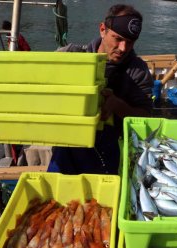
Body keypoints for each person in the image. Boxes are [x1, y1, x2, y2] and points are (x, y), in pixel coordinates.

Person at [48, 4, 154, 175]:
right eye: (118, 38)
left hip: (112, 148)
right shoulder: (70, 55)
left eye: (130, 42)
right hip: (67, 144)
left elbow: (146, 118)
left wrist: (118, 106)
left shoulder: (138, 71)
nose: (123, 49)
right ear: (103, 29)